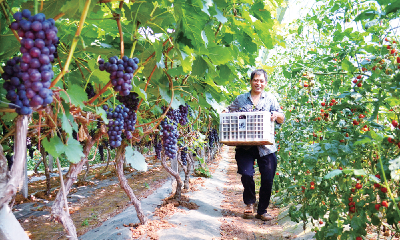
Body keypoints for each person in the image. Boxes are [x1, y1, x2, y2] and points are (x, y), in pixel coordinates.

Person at [223, 69, 285, 221]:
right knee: (246, 174)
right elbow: (229, 111)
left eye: (261, 81)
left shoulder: (270, 99)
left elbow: (282, 117)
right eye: (255, 80)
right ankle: (250, 203)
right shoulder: (241, 99)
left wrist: (276, 115)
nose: (258, 83)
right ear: (251, 81)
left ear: (265, 83)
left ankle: (262, 210)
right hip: (245, 145)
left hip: (266, 146)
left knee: (268, 178)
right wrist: (224, 111)